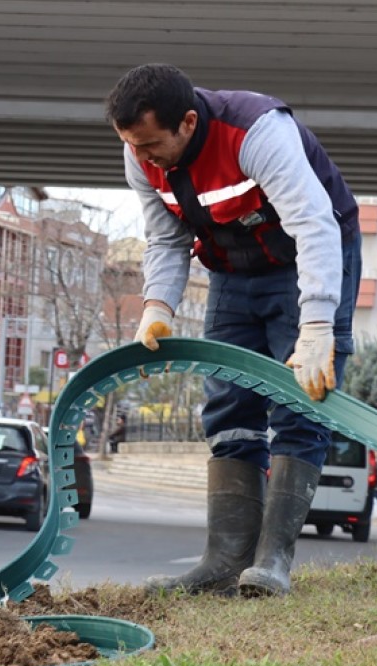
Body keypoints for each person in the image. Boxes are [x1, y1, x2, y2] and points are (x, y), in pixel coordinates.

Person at [107, 62, 362, 598]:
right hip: (232, 268)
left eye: (151, 143)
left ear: (190, 123)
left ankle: (273, 562)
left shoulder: (257, 131)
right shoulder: (140, 155)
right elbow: (165, 239)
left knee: (300, 400)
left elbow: (314, 222)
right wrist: (158, 307)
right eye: (132, 145)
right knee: (228, 405)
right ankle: (225, 560)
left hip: (306, 256)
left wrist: (317, 324)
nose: (142, 156)